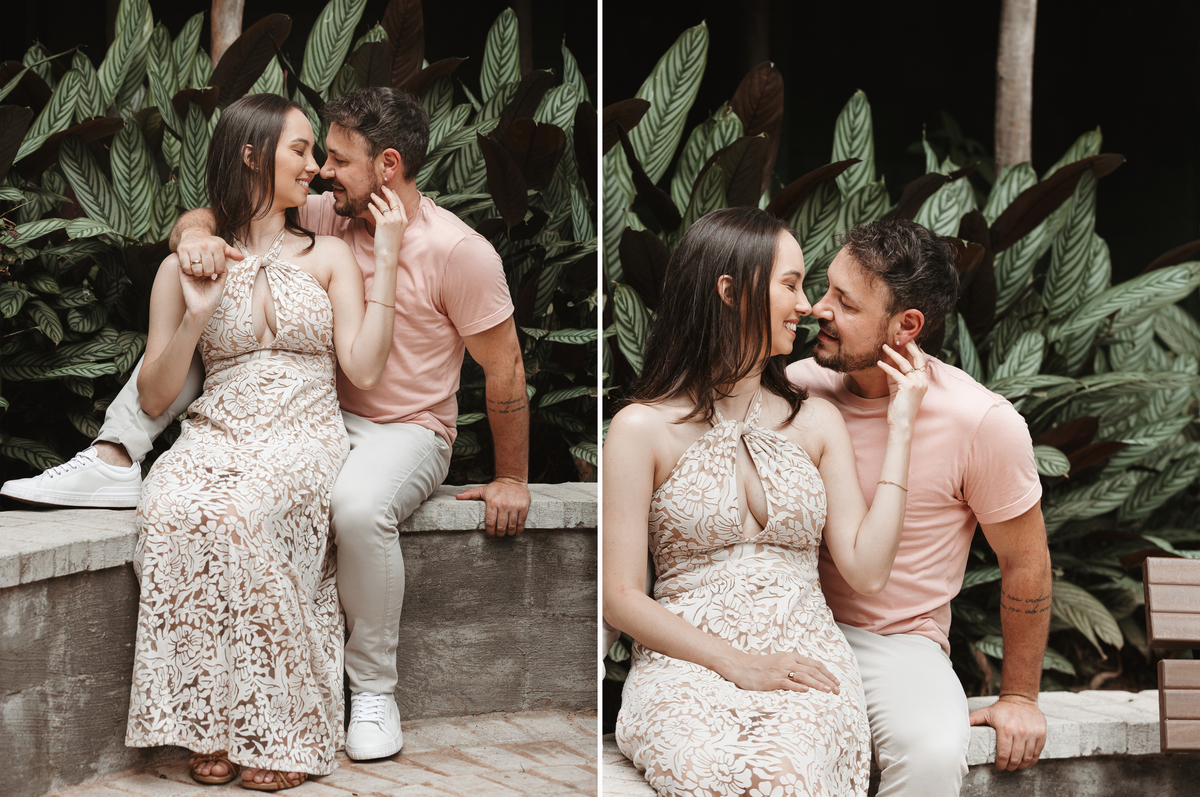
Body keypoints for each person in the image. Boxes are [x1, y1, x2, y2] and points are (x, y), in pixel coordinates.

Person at [2, 87, 531, 761]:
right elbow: (224, 208)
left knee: (357, 505)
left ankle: (372, 689)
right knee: (227, 334)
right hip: (300, 407)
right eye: (313, 154)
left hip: (404, 425)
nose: (320, 170)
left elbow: (507, 369)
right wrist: (193, 243)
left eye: (335, 158)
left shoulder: (461, 252)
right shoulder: (322, 208)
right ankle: (114, 453)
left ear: (388, 165)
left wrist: (513, 475)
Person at [126, 93, 406, 789]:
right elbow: (157, 396)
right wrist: (195, 313)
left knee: (246, 514)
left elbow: (364, 367)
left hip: (303, 432)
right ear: (252, 155)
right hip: (217, 431)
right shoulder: (184, 263)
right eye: (301, 150)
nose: (314, 166)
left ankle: (283, 725)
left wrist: (390, 259)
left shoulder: (331, 256)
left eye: (314, 152)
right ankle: (208, 723)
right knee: (169, 509)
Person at [602, 207, 929, 797]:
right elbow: (622, 597)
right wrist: (738, 663)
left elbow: (867, 569)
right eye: (791, 284)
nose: (807, 306)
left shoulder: (817, 422)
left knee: (786, 774)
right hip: (686, 668)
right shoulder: (640, 429)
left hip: (807, 665)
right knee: (718, 774)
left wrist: (901, 426)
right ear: (730, 291)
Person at [789, 218, 1051, 795]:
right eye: (827, 287)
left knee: (933, 753)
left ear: (906, 326)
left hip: (897, 643)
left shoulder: (980, 422)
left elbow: (1025, 563)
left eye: (846, 304)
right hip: (788, 624)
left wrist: (1020, 698)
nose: (819, 308)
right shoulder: (793, 387)